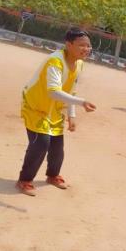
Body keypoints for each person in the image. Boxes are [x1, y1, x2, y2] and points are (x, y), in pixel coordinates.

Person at [16, 28, 97, 197]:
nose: (86, 49)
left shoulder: (79, 64)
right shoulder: (56, 61)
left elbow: (70, 90)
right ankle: (24, 180)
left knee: (57, 147)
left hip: (53, 109)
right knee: (41, 143)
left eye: (88, 46)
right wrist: (82, 102)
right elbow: (53, 91)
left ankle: (53, 176)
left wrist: (72, 116)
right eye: (82, 45)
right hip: (35, 106)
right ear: (68, 44)